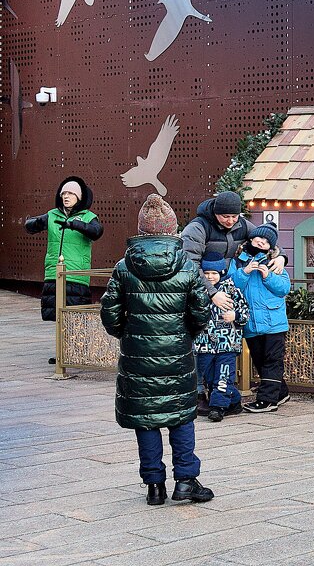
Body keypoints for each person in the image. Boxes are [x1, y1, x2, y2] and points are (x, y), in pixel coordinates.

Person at [100, 194, 215, 505]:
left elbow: (109, 310)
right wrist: (186, 333)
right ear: (172, 229)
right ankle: (186, 481)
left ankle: (154, 487)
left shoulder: (125, 267)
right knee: (181, 416)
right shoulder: (188, 267)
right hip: (178, 353)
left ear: (141, 230)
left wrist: (125, 333)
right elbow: (202, 311)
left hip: (137, 357)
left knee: (146, 419)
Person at [181, 191, 286, 317]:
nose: (231, 221)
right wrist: (212, 292)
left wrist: (281, 256)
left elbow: (265, 239)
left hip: (232, 283)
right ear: (215, 212)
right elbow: (190, 264)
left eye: (234, 216)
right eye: (225, 216)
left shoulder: (242, 224)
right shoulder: (198, 228)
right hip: (205, 284)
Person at [25, 177, 103, 339]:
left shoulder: (88, 217)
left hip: (76, 274)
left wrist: (74, 224)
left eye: (71, 194)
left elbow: (96, 232)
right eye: (64, 193)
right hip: (54, 273)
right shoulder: (52, 215)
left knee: (75, 316)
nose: (66, 196)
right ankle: (62, 354)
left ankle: (77, 351)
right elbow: (30, 226)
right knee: (58, 316)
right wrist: (35, 223)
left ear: (80, 197)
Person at [232, 223, 292, 413]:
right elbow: (232, 286)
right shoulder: (239, 261)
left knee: (272, 360)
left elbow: (284, 288)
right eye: (259, 238)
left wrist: (268, 277)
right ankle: (280, 392)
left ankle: (267, 400)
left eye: (266, 242)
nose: (261, 242)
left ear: (270, 246)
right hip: (251, 323)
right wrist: (245, 272)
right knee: (259, 360)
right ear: (251, 239)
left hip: (274, 322)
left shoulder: (275, 262)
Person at [196, 254, 249, 422]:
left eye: (214, 273)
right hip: (204, 344)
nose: (210, 277)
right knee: (210, 377)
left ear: (222, 272)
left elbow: (245, 313)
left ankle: (217, 408)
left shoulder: (231, 290)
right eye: (207, 273)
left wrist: (235, 315)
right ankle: (234, 402)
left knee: (224, 376)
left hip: (227, 344)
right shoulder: (197, 291)